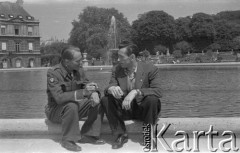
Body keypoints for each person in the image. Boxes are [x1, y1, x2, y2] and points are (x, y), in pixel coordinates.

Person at [101, 41, 162, 149]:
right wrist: (112, 88)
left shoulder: (150, 68)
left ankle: (148, 135)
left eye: (121, 57)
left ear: (132, 57)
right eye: (117, 56)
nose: (118, 60)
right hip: (125, 110)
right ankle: (120, 135)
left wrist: (136, 91)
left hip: (144, 111)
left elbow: (158, 91)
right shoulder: (117, 69)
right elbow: (108, 87)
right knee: (106, 99)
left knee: (152, 99)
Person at [45, 46, 105, 152]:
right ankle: (68, 140)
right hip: (55, 110)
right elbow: (59, 98)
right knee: (71, 105)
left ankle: (89, 135)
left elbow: (87, 85)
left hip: (73, 108)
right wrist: (84, 92)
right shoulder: (53, 73)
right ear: (67, 61)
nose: (81, 62)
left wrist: (94, 93)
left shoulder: (79, 70)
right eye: (78, 61)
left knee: (98, 102)